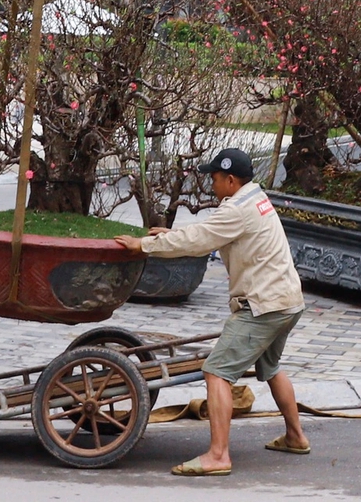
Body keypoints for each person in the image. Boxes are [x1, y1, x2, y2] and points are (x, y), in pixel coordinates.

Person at [118, 147, 310, 476]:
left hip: (261, 307)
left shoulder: (236, 209)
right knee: (271, 366)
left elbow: (203, 238)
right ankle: (296, 436)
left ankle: (218, 455)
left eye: (216, 178)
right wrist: (173, 235)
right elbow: (211, 235)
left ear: (231, 180)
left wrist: (144, 245)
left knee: (216, 371)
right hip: (287, 301)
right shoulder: (255, 198)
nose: (212, 183)